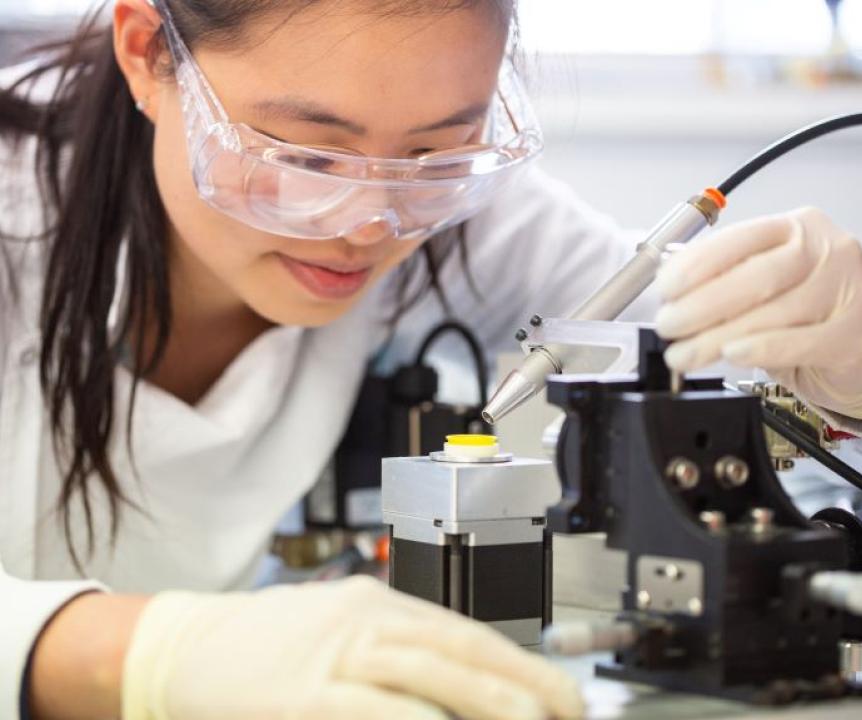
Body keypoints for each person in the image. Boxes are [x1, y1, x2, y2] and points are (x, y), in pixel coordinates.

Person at [0, 0, 859, 718]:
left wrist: (843, 353)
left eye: (436, 151)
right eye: (306, 155)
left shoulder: (458, 216)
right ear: (148, 53)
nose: (374, 223)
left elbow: (675, 322)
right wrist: (150, 654)